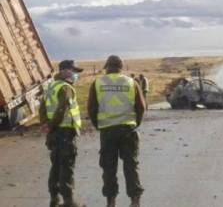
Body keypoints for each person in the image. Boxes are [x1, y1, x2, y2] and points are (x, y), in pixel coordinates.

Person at [88, 55, 146, 207]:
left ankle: (111, 201)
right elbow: (141, 107)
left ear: (107, 67)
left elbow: (91, 109)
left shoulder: (97, 83)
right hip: (128, 129)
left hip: (107, 131)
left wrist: (99, 125)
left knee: (108, 167)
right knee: (131, 165)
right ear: (121, 67)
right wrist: (135, 123)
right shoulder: (132, 82)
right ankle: (135, 201)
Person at [39, 60, 86, 207]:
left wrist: (46, 124)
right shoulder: (66, 88)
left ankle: (54, 198)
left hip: (54, 134)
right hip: (65, 132)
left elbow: (42, 109)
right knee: (66, 166)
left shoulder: (51, 87)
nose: (75, 75)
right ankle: (68, 201)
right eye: (74, 71)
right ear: (66, 71)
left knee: (56, 165)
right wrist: (52, 125)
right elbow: (62, 109)